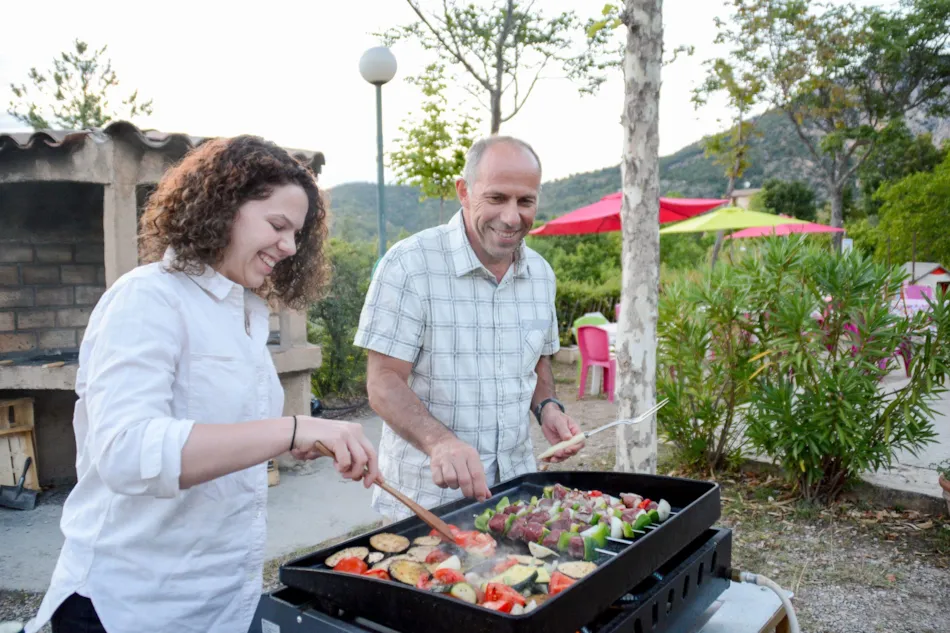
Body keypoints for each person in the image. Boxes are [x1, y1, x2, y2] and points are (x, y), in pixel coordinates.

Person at [23, 136, 379, 633]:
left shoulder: (246, 314)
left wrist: (293, 440)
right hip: (130, 606)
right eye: (277, 225)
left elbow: (220, 432)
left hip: (218, 601)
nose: (290, 246)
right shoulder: (148, 298)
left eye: (297, 233)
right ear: (222, 207)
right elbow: (126, 451)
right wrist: (288, 430)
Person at [354, 135, 583, 523]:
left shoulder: (542, 275)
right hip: (427, 501)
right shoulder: (409, 265)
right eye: (496, 198)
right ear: (464, 191)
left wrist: (548, 408)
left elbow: (538, 365)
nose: (512, 217)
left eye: (525, 201)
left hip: (517, 494)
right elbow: (383, 382)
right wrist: (439, 441)